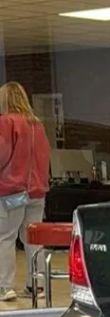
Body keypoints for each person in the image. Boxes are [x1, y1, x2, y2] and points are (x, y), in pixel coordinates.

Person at [0, 82, 51, 301]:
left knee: (5, 237)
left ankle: (4, 286)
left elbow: (2, 154)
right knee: (33, 238)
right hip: (37, 191)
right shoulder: (37, 124)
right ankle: (36, 285)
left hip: (12, 191)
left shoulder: (6, 121)